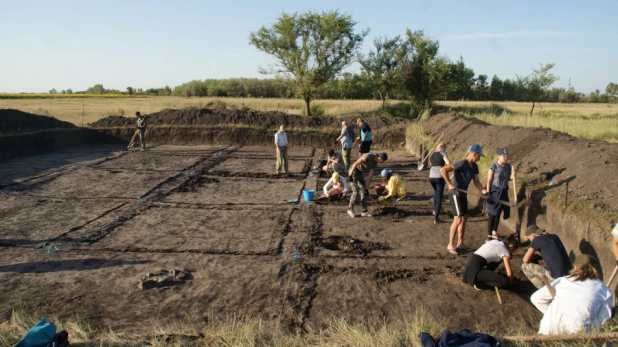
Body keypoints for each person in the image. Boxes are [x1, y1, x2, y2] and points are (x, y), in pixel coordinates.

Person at [530, 254, 612, 335]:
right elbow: (602, 320)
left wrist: (552, 313)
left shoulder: (562, 281)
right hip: (576, 335)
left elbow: (536, 298)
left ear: (575, 267)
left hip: (547, 331)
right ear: (595, 269)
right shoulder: (604, 290)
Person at [440, 144, 488, 255]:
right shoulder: (461, 163)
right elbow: (443, 170)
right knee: (458, 219)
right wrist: (450, 184)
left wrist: (484, 191)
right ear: (474, 154)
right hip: (455, 193)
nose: (480, 158)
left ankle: (460, 243)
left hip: (463, 194)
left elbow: (476, 181)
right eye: (479, 156)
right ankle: (450, 245)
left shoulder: (475, 166)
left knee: (465, 217)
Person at [485, 148, 516, 241]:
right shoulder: (493, 166)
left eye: (507, 157)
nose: (505, 158)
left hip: (503, 191)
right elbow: (489, 180)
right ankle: (489, 235)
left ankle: (494, 232)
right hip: (495, 191)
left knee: (498, 212)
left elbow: (508, 179)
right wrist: (488, 193)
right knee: (492, 213)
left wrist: (512, 176)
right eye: (504, 156)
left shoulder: (508, 167)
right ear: (499, 156)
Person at [347, 152, 388, 218]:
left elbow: (370, 176)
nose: (382, 162)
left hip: (360, 173)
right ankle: (350, 209)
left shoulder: (374, 164)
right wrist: (350, 175)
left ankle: (364, 211)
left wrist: (366, 188)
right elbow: (356, 163)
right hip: (353, 171)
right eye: (382, 161)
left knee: (364, 192)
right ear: (379, 158)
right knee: (355, 192)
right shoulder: (368, 156)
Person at [428, 142, 451, 224]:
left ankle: (435, 210)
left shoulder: (432, 154)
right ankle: (436, 219)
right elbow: (448, 163)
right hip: (439, 177)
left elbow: (431, 164)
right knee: (440, 197)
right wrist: (447, 168)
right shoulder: (443, 153)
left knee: (436, 192)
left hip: (431, 177)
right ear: (443, 148)